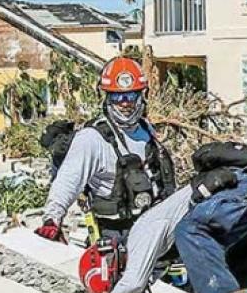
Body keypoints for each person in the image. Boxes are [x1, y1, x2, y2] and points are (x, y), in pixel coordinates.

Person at [63, 141, 247, 293]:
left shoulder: (141, 234)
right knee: (238, 279)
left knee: (190, 231)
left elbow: (133, 283)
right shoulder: (154, 251)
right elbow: (143, 279)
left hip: (242, 189)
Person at [36, 57, 176, 245]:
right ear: (108, 97)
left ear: (141, 96)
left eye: (131, 96)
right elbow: (68, 181)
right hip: (115, 233)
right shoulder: (91, 138)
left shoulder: (146, 129)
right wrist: (52, 219)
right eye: (118, 97)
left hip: (153, 225)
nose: (125, 103)